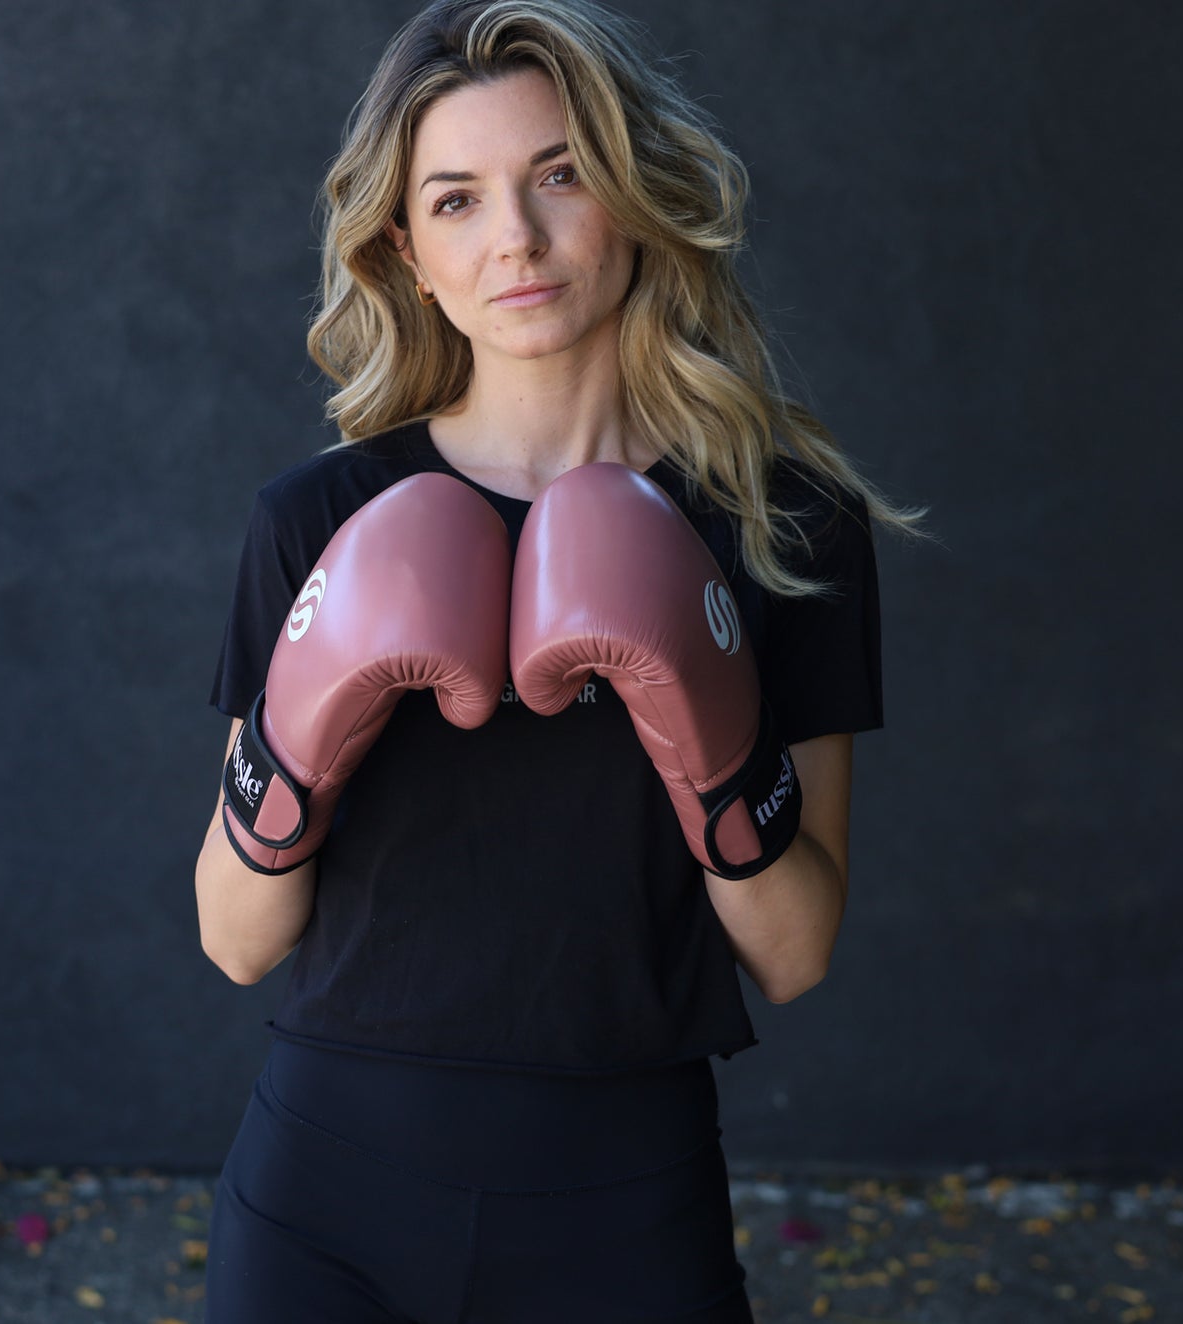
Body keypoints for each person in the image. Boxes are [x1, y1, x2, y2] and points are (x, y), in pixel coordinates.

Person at [194, 1, 926, 1318]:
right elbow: (234, 938)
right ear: (407, 250)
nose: (516, 241)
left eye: (560, 175)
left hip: (620, 1193)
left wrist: (710, 747)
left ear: (635, 197)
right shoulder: (314, 520)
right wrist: (293, 754)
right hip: (324, 1191)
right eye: (457, 200)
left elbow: (797, 948)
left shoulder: (781, 521)